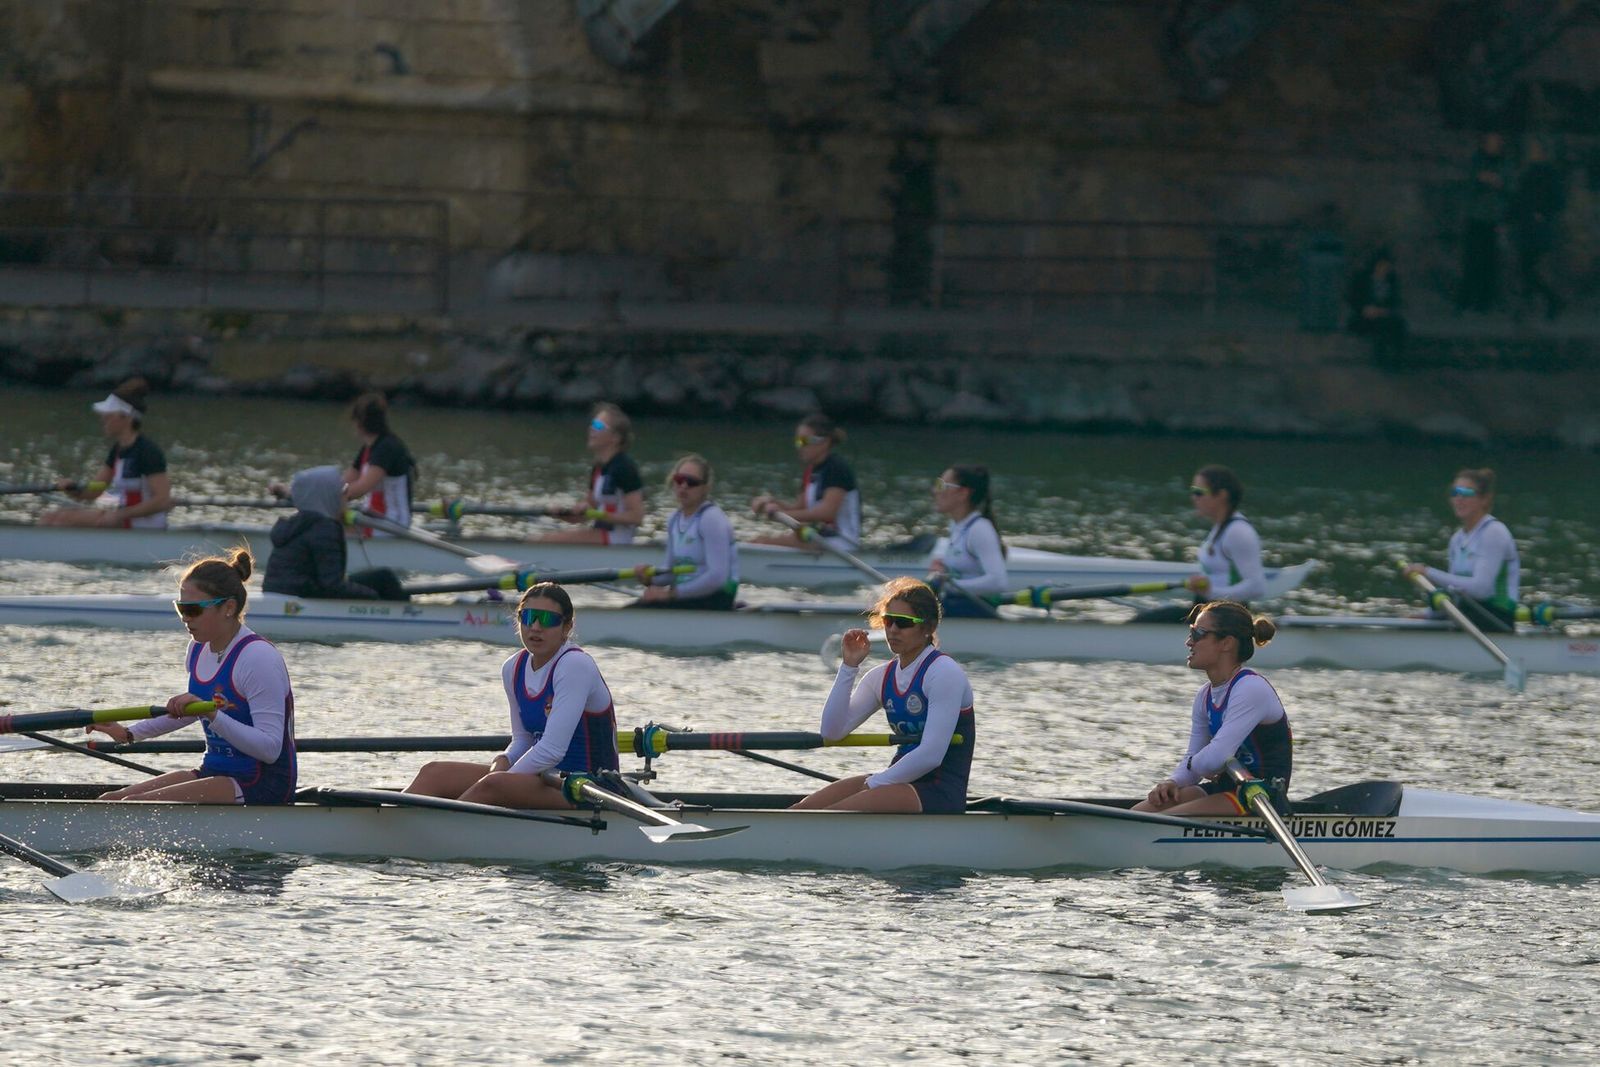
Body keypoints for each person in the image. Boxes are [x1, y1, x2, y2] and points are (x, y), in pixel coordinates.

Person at [85, 549, 298, 804]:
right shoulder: (197, 649)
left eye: (194, 610)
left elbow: (270, 749)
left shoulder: (258, 658)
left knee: (133, 806)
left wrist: (213, 715)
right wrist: (129, 734)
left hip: (261, 783)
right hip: (215, 772)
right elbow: (188, 712)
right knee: (111, 799)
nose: (185, 618)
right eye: (180, 608)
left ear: (229, 607)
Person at [404, 582, 619, 809]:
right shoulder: (513, 667)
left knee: (494, 785)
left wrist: (500, 780)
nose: (535, 627)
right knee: (434, 773)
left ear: (567, 627)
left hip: (592, 790)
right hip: (544, 778)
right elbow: (523, 739)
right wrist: (504, 759)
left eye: (547, 619)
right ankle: (387, 820)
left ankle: (433, 830)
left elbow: (551, 751)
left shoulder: (575, 665)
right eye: (528, 617)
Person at [792, 578, 974, 813]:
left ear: (928, 628)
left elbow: (931, 755)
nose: (893, 630)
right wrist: (849, 667)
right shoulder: (881, 677)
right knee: (801, 810)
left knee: (829, 815)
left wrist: (874, 783)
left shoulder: (943, 673)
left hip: (939, 791)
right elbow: (831, 731)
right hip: (897, 782)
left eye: (903, 623)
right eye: (888, 621)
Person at [1134, 600, 1291, 816]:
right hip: (1226, 788)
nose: (1189, 642)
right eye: (1191, 632)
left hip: (1261, 796)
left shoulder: (1250, 688)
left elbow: (1215, 758)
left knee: (1160, 821)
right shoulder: (1204, 696)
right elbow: (1198, 756)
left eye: (1198, 633)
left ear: (1226, 643)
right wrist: (1174, 781)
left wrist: (1199, 764)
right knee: (1140, 813)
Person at [1133, 464, 1265, 624]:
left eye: (1199, 492)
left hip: (1226, 621)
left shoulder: (1238, 532)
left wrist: (1211, 592)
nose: (1194, 498)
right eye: (1193, 492)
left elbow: (1257, 587)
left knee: (1140, 623)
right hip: (1208, 613)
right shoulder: (1220, 527)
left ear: (1222, 495)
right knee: (1142, 620)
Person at [41, 377, 173, 529]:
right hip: (123, 519)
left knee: (60, 521)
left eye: (109, 415)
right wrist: (74, 488)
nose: (103, 419)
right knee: (51, 517)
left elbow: (163, 500)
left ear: (127, 418)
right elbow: (97, 487)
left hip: (144, 527)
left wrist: (121, 514)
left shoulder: (148, 452)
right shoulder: (117, 451)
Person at [263, 466, 407, 601]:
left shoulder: (301, 522)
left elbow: (329, 582)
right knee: (385, 580)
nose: (347, 496)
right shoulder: (324, 529)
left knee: (381, 578)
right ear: (329, 496)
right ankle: (404, 617)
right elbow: (332, 585)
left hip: (284, 591)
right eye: (343, 490)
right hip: (301, 597)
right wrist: (374, 599)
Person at [1402, 467, 1520, 632]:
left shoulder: (1494, 532)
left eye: (1467, 493)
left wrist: (1428, 572)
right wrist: (1428, 615)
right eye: (1455, 492)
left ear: (1484, 499)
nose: (1459, 498)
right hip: (1468, 615)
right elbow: (1455, 595)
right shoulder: (1457, 540)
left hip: (1497, 618)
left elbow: (1481, 589)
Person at [632, 453, 739, 610]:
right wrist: (650, 579)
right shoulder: (674, 520)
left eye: (691, 482)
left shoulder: (711, 519)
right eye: (679, 480)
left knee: (638, 610)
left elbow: (717, 578)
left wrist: (670, 594)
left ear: (705, 488)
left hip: (717, 597)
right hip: (688, 596)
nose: (683, 486)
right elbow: (670, 573)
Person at [535, 402, 645, 545]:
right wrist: (562, 514)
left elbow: (637, 517)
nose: (591, 429)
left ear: (615, 438)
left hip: (616, 540)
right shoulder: (598, 468)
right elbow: (585, 514)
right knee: (538, 539)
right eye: (593, 424)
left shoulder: (625, 467)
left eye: (598, 426)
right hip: (600, 533)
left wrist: (602, 515)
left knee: (542, 541)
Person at [749, 413, 862, 551]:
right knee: (760, 540)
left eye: (804, 441)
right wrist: (769, 502)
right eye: (797, 441)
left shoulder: (837, 468)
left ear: (825, 442)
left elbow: (827, 513)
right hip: (821, 537)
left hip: (842, 542)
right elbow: (800, 509)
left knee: (764, 543)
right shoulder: (810, 471)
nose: (799, 446)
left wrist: (781, 515)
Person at [927, 464, 1008, 618]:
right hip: (960, 603)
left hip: (978, 609)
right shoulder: (957, 526)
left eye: (941, 485)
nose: (935, 491)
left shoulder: (979, 529)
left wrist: (948, 586)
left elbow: (998, 582)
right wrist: (943, 570)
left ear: (963, 493)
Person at [342, 392, 417, 529]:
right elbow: (345, 482)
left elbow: (360, 489)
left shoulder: (387, 448)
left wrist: (327, 498)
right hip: (374, 518)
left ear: (360, 422)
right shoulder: (368, 447)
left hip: (392, 524)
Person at [1511, 137, 1566, 323]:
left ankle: (1549, 301)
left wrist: (1542, 212)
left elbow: (1558, 201)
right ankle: (1535, 306)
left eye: (1535, 150)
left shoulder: (1549, 174)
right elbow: (1519, 200)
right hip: (1526, 228)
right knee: (1526, 269)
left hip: (1539, 230)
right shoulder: (1527, 173)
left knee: (1528, 270)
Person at [1456, 131, 1511, 314]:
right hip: (1475, 217)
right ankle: (1465, 300)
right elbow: (1468, 185)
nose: (1494, 145)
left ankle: (1484, 302)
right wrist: (1480, 179)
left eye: (1497, 142)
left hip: (1494, 219)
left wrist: (1500, 184)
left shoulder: (1505, 163)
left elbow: (1510, 189)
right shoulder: (1476, 161)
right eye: (1491, 142)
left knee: (1490, 262)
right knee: (1472, 260)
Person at [1345, 247, 1408, 368]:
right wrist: (1364, 309)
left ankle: (1397, 360)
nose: (1384, 269)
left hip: (1385, 315)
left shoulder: (1391, 280)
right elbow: (1352, 298)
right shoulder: (1362, 278)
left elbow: (1395, 301)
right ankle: (1381, 359)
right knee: (1381, 326)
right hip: (1363, 317)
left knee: (1398, 324)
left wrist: (1385, 310)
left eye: (1387, 266)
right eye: (1381, 265)